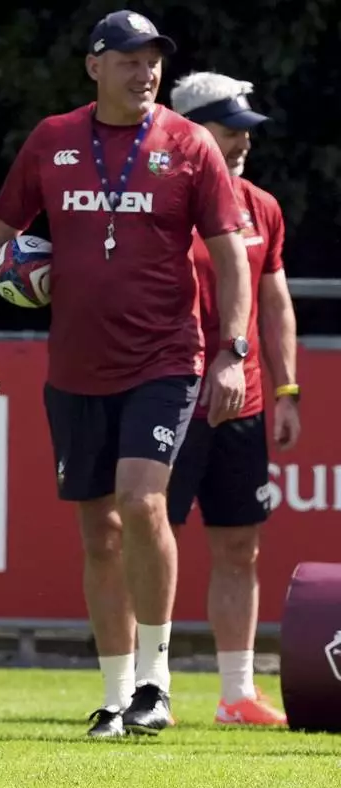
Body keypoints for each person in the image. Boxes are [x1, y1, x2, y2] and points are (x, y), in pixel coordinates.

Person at [0, 10, 252, 739]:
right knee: (99, 532)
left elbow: (231, 256)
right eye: (128, 59)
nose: (144, 72)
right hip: (75, 366)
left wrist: (233, 350)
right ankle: (117, 696)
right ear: (95, 67)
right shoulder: (52, 139)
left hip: (165, 358)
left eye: (152, 60)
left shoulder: (188, 144)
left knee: (142, 501)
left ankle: (156, 683)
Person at [167, 72, 299, 726]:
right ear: (192, 132)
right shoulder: (158, 203)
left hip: (241, 403)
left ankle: (236, 693)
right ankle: (142, 683)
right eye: (230, 129)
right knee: (149, 540)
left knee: (241, 545)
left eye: (247, 130)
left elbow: (274, 304)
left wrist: (286, 389)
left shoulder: (261, 205)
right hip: (165, 396)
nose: (243, 142)